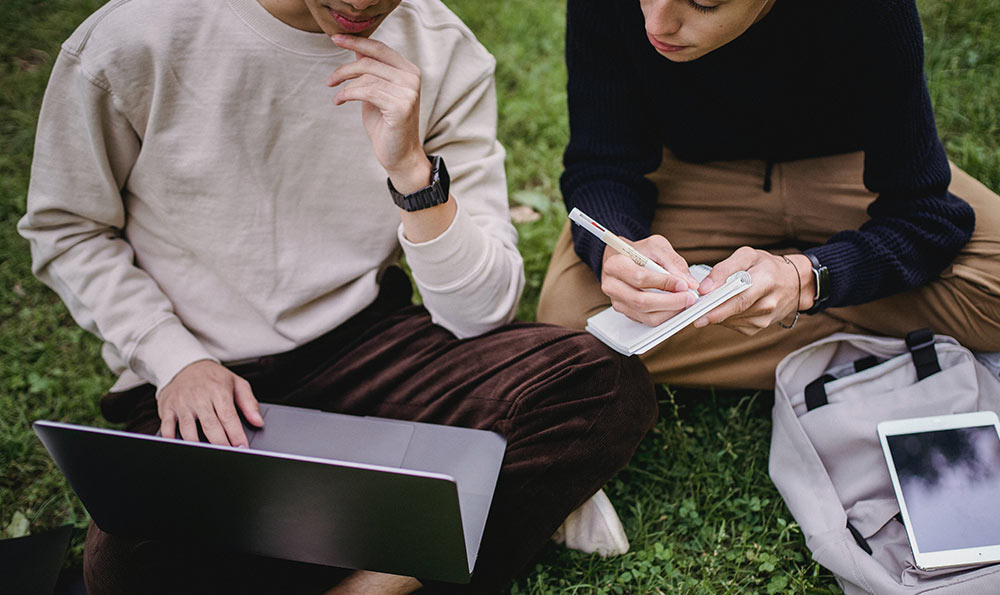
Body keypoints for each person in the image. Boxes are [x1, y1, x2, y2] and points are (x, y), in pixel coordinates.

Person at [18, 0, 658, 592]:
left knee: (604, 383)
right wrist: (173, 359)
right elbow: (69, 228)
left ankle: (378, 575)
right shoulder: (134, 41)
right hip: (208, 382)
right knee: (126, 564)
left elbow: (480, 311)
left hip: (372, 345)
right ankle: (479, 508)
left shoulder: (440, 49)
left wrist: (412, 171)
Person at [537, 0, 1000, 543]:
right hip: (690, 178)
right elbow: (602, 165)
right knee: (568, 324)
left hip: (849, 169)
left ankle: (785, 300)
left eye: (703, 1)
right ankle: (893, 328)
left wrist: (808, 277)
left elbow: (924, 212)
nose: (656, 25)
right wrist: (619, 245)